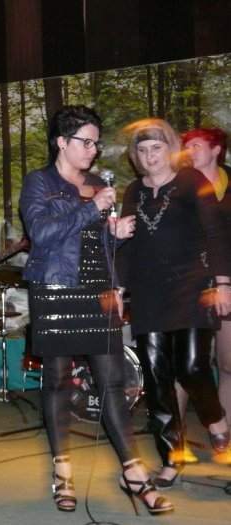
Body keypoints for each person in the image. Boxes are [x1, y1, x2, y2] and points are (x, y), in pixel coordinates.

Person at [20, 106, 172, 514]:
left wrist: (115, 235)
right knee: (57, 381)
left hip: (97, 291)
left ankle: (133, 471)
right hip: (55, 288)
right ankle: (62, 472)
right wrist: (92, 209)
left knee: (112, 383)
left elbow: (98, 245)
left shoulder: (97, 184)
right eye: (86, 142)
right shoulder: (39, 182)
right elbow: (42, 233)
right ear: (61, 142)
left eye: (96, 143)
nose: (93, 150)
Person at [118, 119, 231, 488]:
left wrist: (223, 283)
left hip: (192, 288)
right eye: (142, 150)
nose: (150, 156)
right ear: (135, 156)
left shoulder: (191, 181)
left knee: (193, 367)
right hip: (148, 294)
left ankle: (216, 420)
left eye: (156, 148)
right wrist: (118, 288)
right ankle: (171, 457)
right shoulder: (134, 191)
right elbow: (127, 246)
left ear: (170, 149)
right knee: (156, 379)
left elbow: (215, 233)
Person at [174, 128, 231, 463]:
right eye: (185, 146)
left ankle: (225, 440)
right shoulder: (178, 184)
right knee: (187, 365)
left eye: (196, 145)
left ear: (216, 149)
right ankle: (174, 441)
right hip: (190, 285)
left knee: (227, 364)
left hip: (227, 284)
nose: (189, 151)